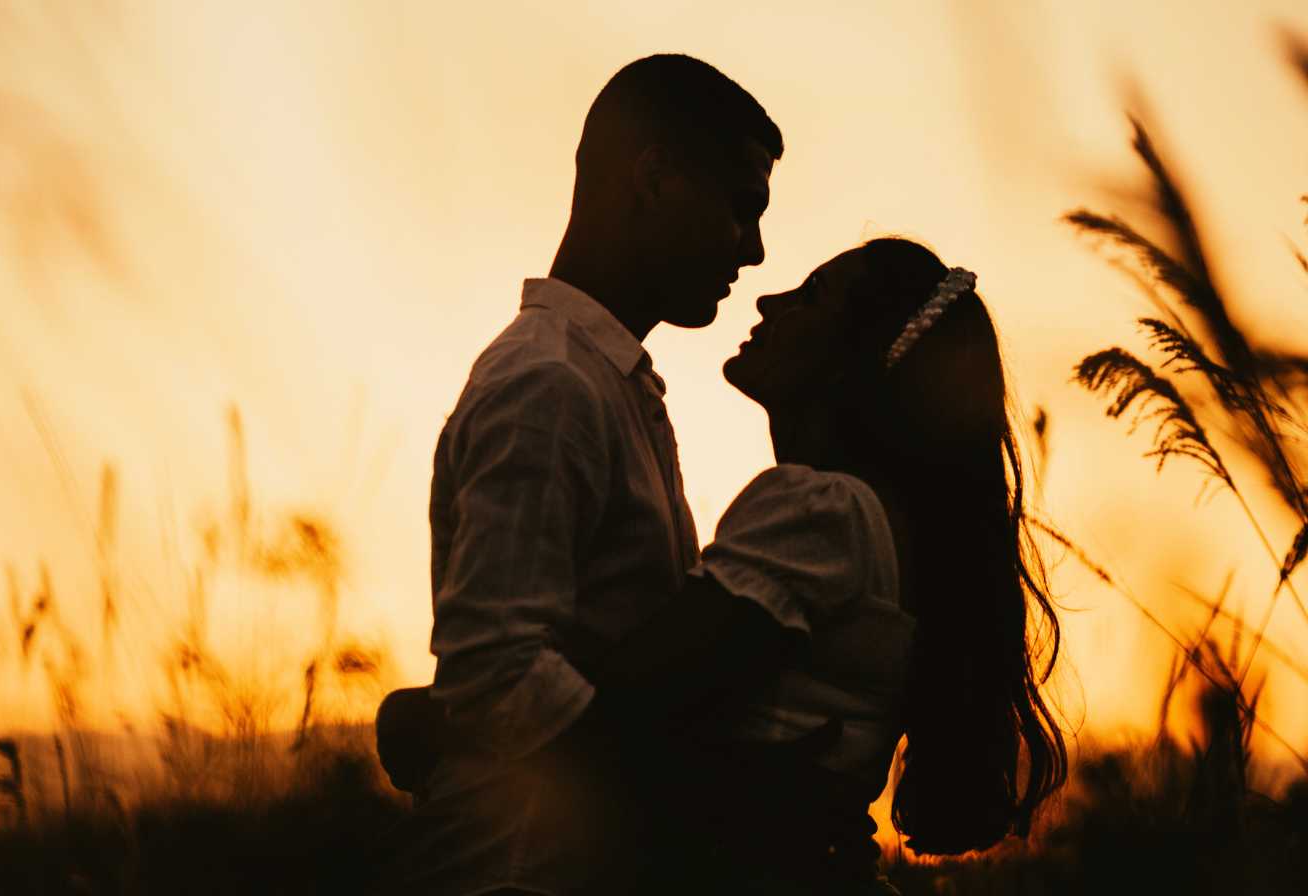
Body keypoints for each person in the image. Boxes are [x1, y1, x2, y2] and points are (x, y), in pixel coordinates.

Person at [378, 54, 781, 896]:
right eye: (742, 209)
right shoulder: (550, 384)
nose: (754, 249)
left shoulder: (607, 383)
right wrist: (692, 794)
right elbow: (498, 672)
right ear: (657, 178)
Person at [590, 236, 1070, 892]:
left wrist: (456, 717)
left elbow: (633, 704)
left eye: (811, 295)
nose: (768, 299)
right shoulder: (878, 528)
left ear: (852, 360)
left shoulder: (820, 514)